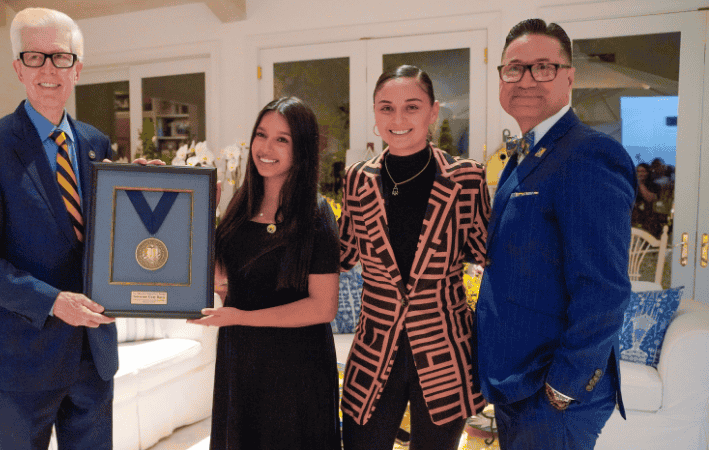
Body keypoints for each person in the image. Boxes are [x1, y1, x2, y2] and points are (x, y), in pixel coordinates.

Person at [0, 8, 118, 449]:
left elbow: (111, 239)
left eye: (60, 57)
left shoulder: (98, 144)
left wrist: (150, 195)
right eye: (35, 57)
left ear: (77, 69)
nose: (48, 68)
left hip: (94, 353)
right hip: (24, 359)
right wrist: (53, 301)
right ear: (18, 68)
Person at [475, 19, 636, 450]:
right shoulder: (525, 154)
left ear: (569, 76)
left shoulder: (588, 154)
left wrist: (563, 389)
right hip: (519, 383)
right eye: (514, 68)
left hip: (552, 395)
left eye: (543, 67)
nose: (526, 79)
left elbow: (604, 290)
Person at [338, 65, 490, 450]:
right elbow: (339, 255)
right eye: (386, 108)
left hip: (445, 352)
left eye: (412, 106)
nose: (398, 118)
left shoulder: (467, 179)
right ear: (374, 114)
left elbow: (493, 260)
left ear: (433, 112)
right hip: (374, 353)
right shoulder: (357, 179)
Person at [188, 97, 341, 449]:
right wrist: (199, 212)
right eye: (261, 134)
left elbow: (323, 308)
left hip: (296, 370)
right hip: (242, 362)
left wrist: (241, 317)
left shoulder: (316, 216)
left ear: (301, 149)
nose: (266, 147)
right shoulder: (240, 204)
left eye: (282, 139)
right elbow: (222, 282)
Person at [632, 162, 665, 237]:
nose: (640, 174)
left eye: (643, 171)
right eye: (638, 171)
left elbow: (650, 199)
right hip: (634, 219)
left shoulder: (654, 186)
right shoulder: (632, 185)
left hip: (649, 220)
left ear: (648, 173)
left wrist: (640, 184)